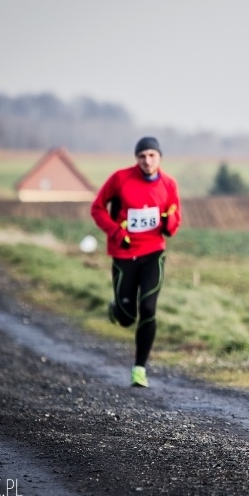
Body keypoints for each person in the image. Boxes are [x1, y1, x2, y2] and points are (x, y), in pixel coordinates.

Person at [91, 137, 182, 388]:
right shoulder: (120, 179)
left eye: (152, 155)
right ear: (136, 158)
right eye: (142, 156)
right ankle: (117, 308)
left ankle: (139, 368)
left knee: (149, 308)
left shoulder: (169, 184)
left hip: (153, 253)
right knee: (126, 317)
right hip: (123, 255)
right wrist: (116, 232)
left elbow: (174, 219)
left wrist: (169, 223)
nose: (147, 160)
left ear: (159, 157)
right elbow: (97, 208)